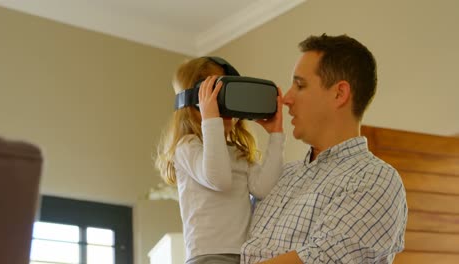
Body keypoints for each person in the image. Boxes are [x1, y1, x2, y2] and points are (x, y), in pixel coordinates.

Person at [241, 34, 408, 264]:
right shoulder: (281, 176)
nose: (286, 99)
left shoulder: (375, 179)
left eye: (300, 85)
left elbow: (318, 260)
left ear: (340, 93)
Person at [155, 57, 285, 264]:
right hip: (208, 255)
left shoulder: (236, 152)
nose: (224, 107)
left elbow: (263, 189)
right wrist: (211, 120)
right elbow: (219, 179)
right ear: (196, 103)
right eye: (216, 96)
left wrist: (276, 135)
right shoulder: (186, 147)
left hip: (243, 255)